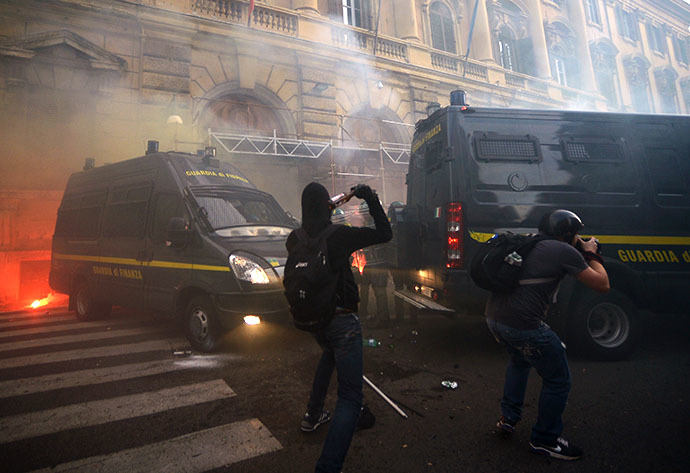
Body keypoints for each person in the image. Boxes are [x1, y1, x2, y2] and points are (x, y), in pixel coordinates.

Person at [485, 209, 609, 461]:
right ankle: (545, 439)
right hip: (522, 325)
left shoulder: (530, 240)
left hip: (494, 319)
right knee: (558, 379)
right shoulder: (563, 250)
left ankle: (508, 418)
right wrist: (591, 253)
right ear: (569, 234)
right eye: (576, 234)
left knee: (519, 362)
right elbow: (601, 284)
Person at [287, 182, 391, 473]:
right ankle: (328, 467)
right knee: (350, 397)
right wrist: (369, 196)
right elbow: (385, 233)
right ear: (326, 206)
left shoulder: (293, 239)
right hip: (342, 319)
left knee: (328, 354)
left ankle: (312, 414)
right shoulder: (339, 236)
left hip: (313, 320)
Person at [356, 201, 391, 328]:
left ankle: (383, 319)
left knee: (380, 291)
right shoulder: (371, 224)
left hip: (379, 264)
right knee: (370, 289)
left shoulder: (374, 225)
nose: (363, 216)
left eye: (364, 213)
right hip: (371, 264)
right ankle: (374, 315)